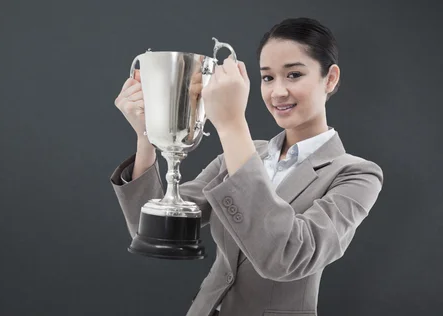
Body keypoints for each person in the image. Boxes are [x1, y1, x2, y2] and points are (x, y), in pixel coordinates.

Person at [111, 17, 384, 316]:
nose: (278, 92)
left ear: (330, 78)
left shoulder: (356, 174)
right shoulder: (244, 152)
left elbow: (288, 257)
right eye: (267, 78)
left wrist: (231, 125)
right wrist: (146, 136)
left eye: (293, 74)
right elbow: (151, 230)